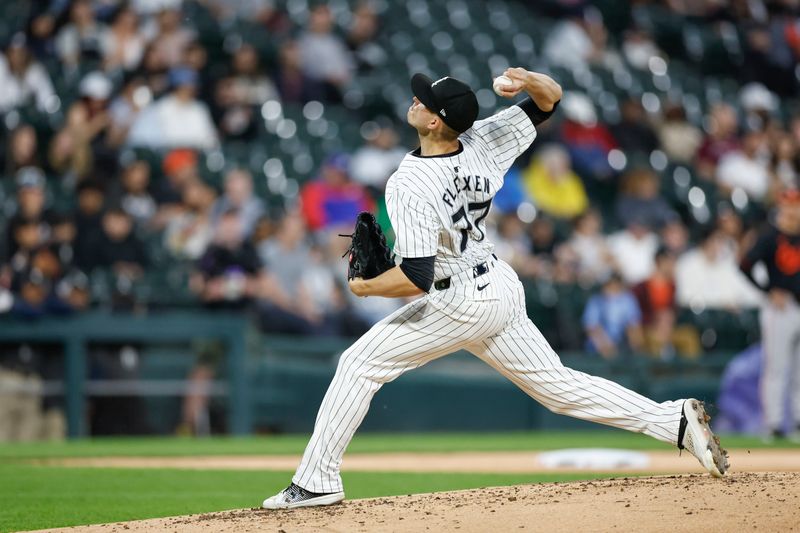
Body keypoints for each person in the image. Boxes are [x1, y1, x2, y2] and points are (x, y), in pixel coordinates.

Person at [262, 68, 727, 510]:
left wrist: (364, 288)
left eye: (424, 100)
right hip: (497, 284)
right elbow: (550, 101)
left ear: (436, 120)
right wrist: (529, 81)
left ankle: (315, 481)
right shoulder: (484, 140)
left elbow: (417, 277)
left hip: (458, 297)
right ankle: (674, 422)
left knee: (358, 364)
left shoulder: (409, 182)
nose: (415, 100)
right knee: (558, 388)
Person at [739, 189, 800, 441]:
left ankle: (798, 424)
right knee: (776, 368)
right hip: (780, 308)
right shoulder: (770, 235)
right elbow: (744, 264)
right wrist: (767, 290)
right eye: (788, 205)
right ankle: (774, 425)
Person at [582, 272, 644, 359]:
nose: (613, 286)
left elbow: (634, 326)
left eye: (616, 283)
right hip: (597, 352)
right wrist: (606, 347)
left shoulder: (628, 300)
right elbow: (591, 327)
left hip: (623, 349)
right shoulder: (596, 301)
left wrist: (635, 347)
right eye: (610, 284)